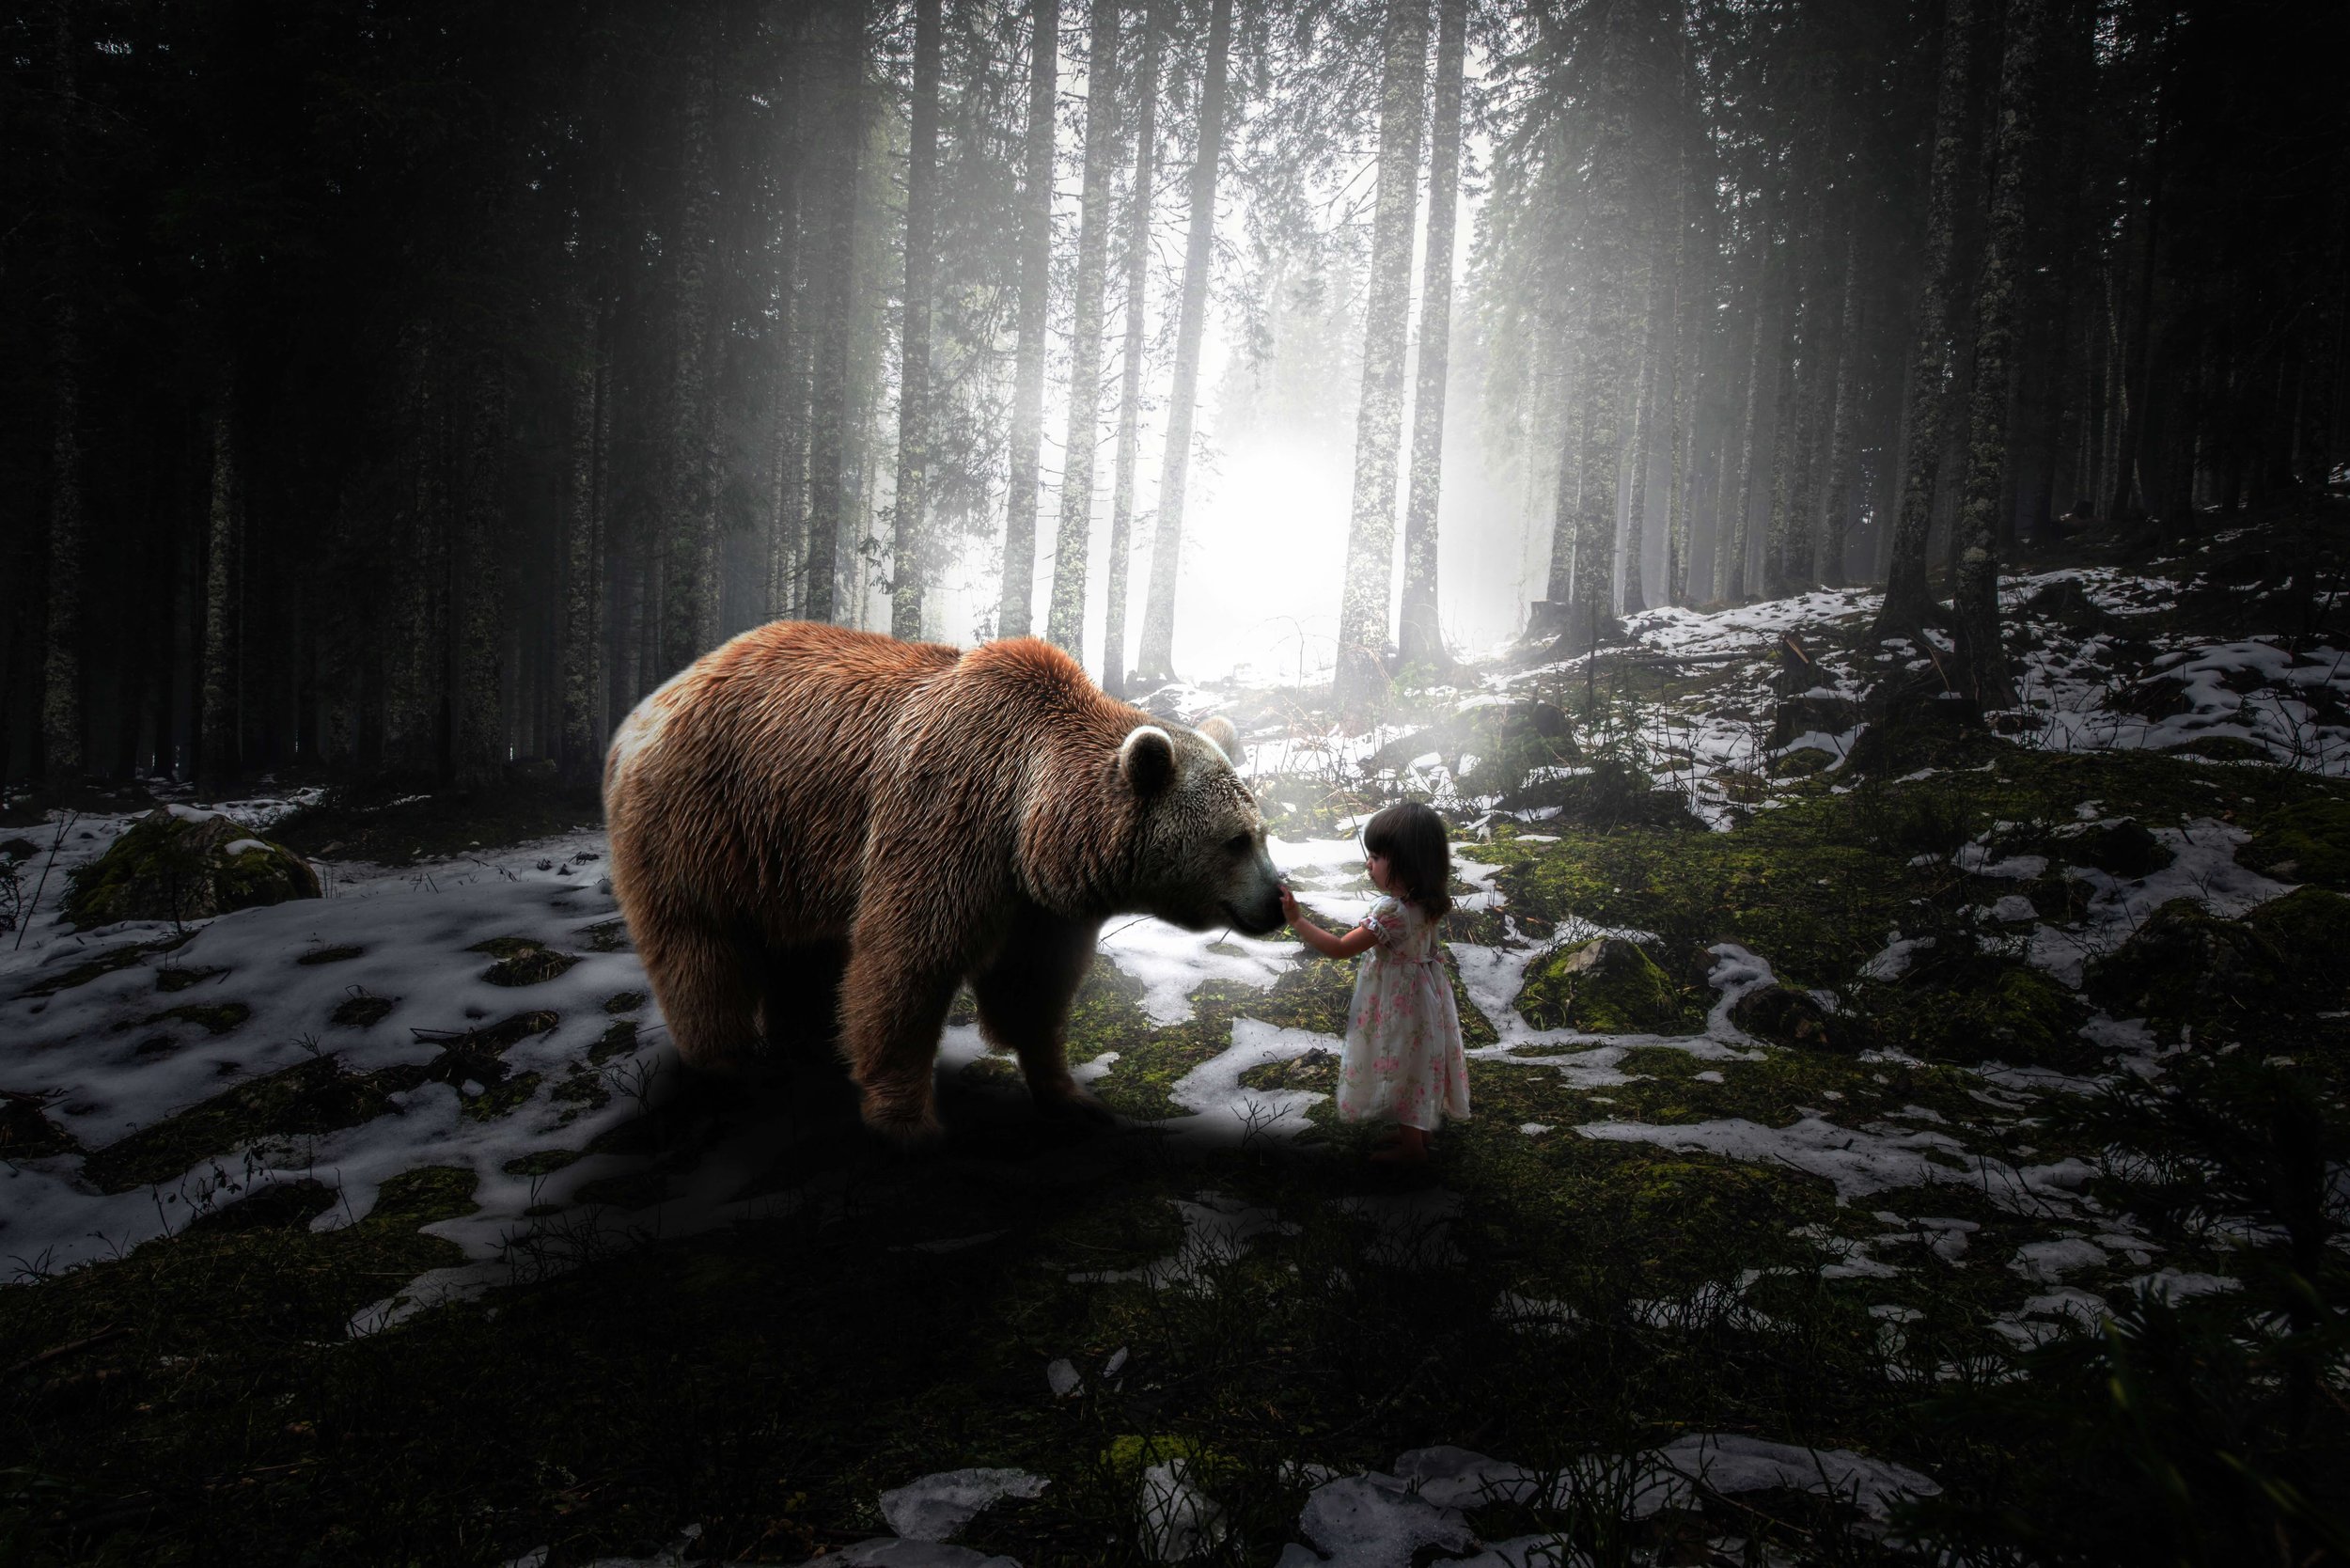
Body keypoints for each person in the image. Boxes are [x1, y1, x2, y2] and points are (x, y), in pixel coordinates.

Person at [1279, 801, 1470, 1164]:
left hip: (1398, 1001)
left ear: (1407, 862)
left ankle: (1412, 1150)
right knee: (1416, 1061)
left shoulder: (1393, 912)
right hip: (1425, 998)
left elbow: (1338, 949)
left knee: (1398, 1061)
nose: (1369, 863)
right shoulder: (1425, 904)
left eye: (1378, 856)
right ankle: (1418, 1132)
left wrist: (1297, 920)